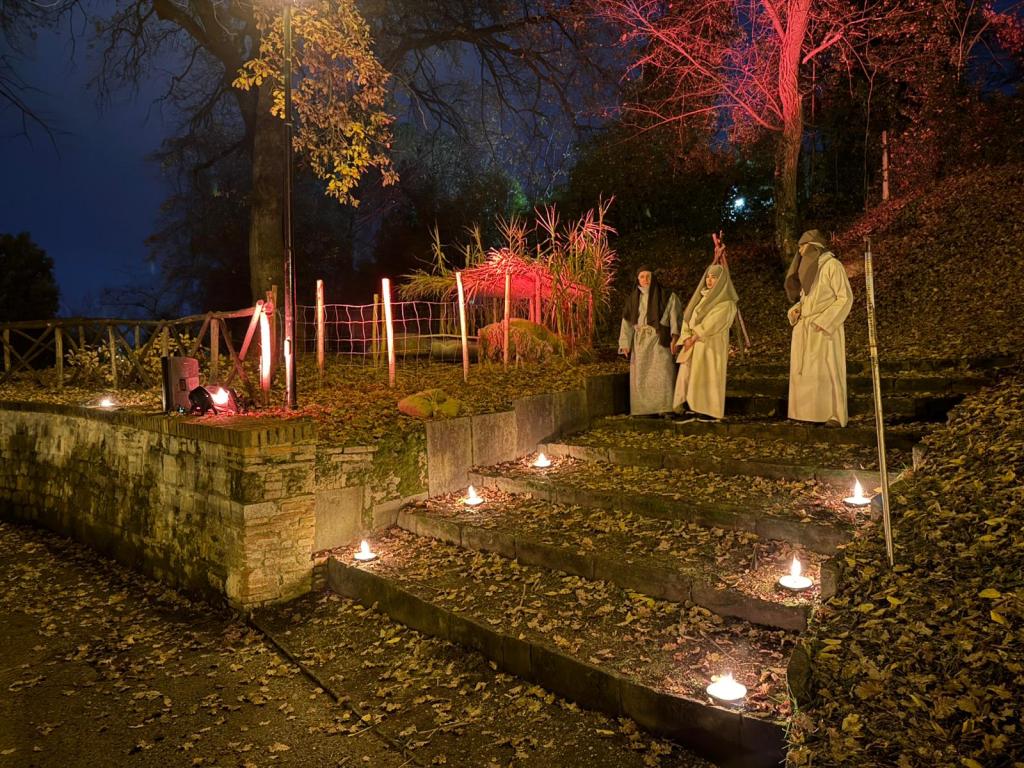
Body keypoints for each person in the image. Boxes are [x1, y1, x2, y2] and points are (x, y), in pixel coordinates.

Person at [785, 229, 853, 427]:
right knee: (807, 372)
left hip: (824, 328)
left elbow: (845, 297)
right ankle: (807, 413)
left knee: (827, 371)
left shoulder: (832, 266)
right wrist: (798, 309)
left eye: (803, 246)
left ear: (814, 247)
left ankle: (834, 414)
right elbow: (808, 297)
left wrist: (825, 321)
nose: (800, 251)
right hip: (806, 326)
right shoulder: (811, 269)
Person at [672, 263, 738, 420]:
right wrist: (686, 336)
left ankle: (708, 409)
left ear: (721, 281)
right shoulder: (701, 299)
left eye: (714, 277)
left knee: (707, 375)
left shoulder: (726, 303)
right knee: (690, 374)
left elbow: (713, 323)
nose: (709, 280)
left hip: (710, 346)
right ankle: (690, 405)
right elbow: (689, 319)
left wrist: (694, 336)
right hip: (694, 345)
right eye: (708, 277)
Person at [619, 267, 681, 415]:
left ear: (653, 278)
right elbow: (626, 322)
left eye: (648, 276)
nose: (645, 280)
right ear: (637, 279)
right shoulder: (633, 298)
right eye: (642, 277)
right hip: (640, 340)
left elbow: (675, 317)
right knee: (641, 376)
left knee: (663, 372)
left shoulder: (666, 296)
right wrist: (625, 343)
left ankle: (665, 407)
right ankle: (643, 409)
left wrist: (675, 338)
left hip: (659, 338)